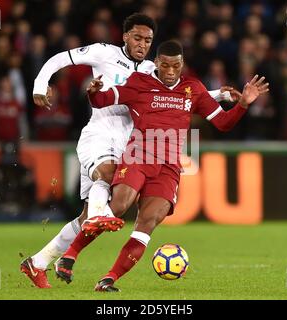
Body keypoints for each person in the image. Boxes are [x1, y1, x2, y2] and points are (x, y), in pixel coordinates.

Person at [21, 13, 235, 288]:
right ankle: (98, 218)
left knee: (87, 218)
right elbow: (60, 58)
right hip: (99, 133)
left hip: (126, 141)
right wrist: (41, 84)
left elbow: (175, 92)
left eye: (147, 40)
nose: (142, 44)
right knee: (107, 177)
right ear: (124, 36)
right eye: (137, 37)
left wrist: (218, 95)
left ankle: (37, 262)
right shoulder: (103, 52)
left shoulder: (150, 69)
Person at [54, 40, 269, 292]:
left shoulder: (193, 89)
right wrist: (94, 91)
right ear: (156, 63)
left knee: (147, 223)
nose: (169, 71)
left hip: (168, 167)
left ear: (182, 65)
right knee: (119, 205)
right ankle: (69, 255)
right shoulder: (139, 82)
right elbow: (103, 100)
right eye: (165, 65)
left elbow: (223, 123)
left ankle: (109, 279)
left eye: (175, 66)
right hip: (138, 155)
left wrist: (243, 104)